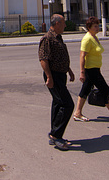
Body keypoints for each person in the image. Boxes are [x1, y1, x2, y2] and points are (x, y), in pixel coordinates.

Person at [72, 16, 109, 128]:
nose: (97, 28)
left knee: (85, 90)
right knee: (105, 90)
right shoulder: (87, 39)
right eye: (95, 26)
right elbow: (82, 55)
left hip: (95, 69)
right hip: (91, 70)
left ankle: (77, 113)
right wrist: (82, 72)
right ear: (89, 27)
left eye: (98, 26)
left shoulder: (94, 37)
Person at [39, 14, 75, 150]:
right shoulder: (47, 38)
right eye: (64, 23)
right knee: (67, 105)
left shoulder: (58, 38)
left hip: (61, 75)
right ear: (57, 24)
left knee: (57, 104)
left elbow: (61, 57)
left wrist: (69, 70)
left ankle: (54, 133)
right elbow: (44, 59)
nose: (65, 25)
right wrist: (49, 77)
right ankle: (56, 135)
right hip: (53, 76)